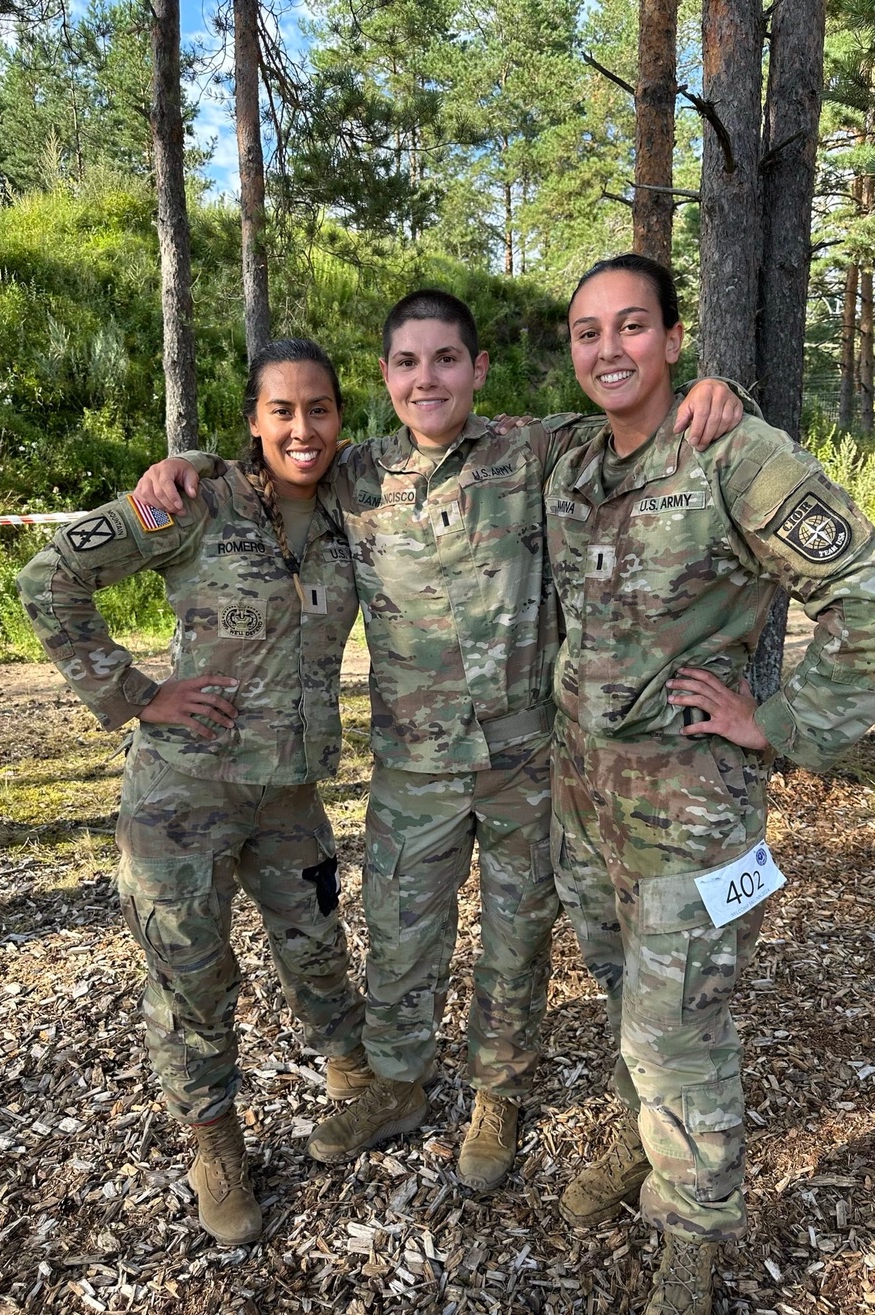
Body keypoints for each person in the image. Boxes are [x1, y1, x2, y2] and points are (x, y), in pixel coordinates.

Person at [131, 292, 746, 1194]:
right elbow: (265, 467)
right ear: (386, 377)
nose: (429, 378)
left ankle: (499, 1093)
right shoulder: (354, 475)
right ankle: (399, 1081)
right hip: (413, 765)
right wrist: (178, 463)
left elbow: (641, 420)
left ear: (478, 368)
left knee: (515, 937)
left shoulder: (534, 451)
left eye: (447, 359)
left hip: (523, 764)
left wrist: (727, 390)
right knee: (399, 934)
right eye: (409, 363)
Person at [542, 253, 875, 1315]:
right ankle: (638, 1133)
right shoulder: (572, 461)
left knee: (681, 1033)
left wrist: (786, 722)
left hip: (696, 824)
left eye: (630, 327)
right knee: (630, 1009)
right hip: (588, 806)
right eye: (587, 332)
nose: (607, 348)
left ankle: (691, 1247)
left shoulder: (734, 456)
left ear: (671, 339)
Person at [17, 338, 368, 1247]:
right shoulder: (196, 502)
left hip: (291, 795)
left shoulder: (351, 509)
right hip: (183, 796)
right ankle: (214, 1139)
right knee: (190, 976)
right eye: (282, 411)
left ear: (341, 415)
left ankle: (349, 1069)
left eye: (319, 409)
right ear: (252, 421)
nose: (303, 428)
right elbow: (49, 578)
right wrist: (135, 694)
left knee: (319, 940)